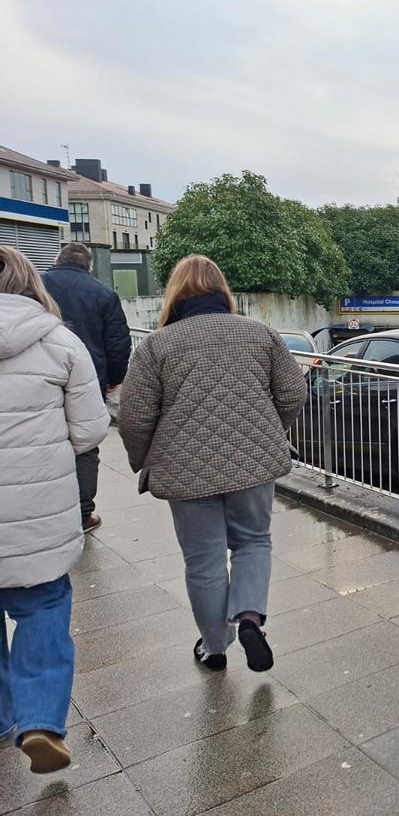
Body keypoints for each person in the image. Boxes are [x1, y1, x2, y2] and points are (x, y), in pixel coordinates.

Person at [118, 255, 306, 672]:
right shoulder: (260, 335)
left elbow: (134, 416)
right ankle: (251, 618)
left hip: (184, 471)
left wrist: (143, 459)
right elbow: (294, 391)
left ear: (175, 294)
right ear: (222, 291)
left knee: (202, 560)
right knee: (253, 541)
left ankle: (215, 647)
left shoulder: (157, 345)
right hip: (253, 464)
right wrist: (269, 429)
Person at [0, 246, 110, 773]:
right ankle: (40, 720)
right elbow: (90, 429)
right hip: (37, 509)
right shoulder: (60, 343)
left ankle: (2, 716)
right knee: (42, 605)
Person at [42, 242, 131, 533]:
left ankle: (43, 509)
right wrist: (114, 378)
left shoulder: (37, 286)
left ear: (57, 261)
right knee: (85, 445)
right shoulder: (104, 294)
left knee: (41, 440)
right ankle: (82, 513)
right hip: (88, 380)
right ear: (88, 266)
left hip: (40, 376)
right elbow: (118, 342)